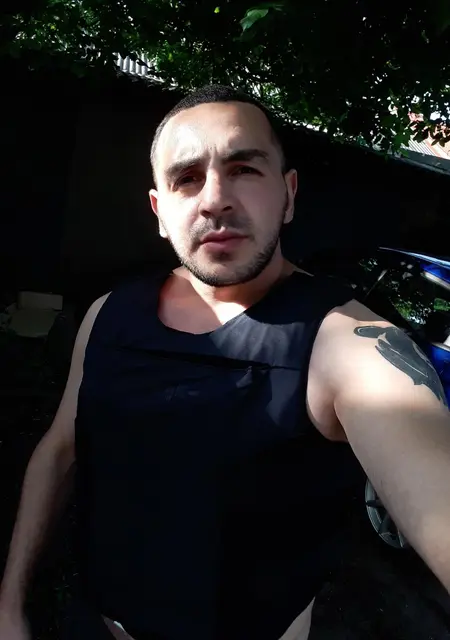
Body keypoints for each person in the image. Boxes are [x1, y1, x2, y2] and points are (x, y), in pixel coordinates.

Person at [1, 84, 450, 640]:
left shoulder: (346, 345)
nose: (215, 198)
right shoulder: (106, 316)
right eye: (187, 178)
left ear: (288, 195)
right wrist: (10, 605)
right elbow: (60, 450)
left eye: (243, 168)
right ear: (160, 211)